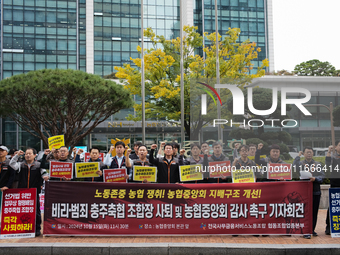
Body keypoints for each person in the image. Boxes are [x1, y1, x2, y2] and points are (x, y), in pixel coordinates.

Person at [9, 148, 49, 237]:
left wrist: (46, 177)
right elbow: (12, 164)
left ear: (35, 155)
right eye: (26, 154)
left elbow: (45, 174)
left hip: (34, 192)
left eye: (30, 153)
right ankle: (23, 229)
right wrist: (17, 155)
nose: (28, 155)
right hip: (23, 193)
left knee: (36, 211)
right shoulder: (21, 165)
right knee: (23, 212)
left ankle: (37, 229)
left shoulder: (39, 165)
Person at [293, 146, 324, 239]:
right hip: (304, 192)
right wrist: (298, 156)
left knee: (314, 212)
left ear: (313, 153)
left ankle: (312, 230)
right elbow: (294, 167)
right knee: (305, 212)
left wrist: (315, 179)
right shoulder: (301, 163)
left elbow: (322, 176)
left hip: (315, 191)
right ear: (304, 154)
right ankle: (305, 230)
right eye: (307, 152)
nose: (309, 154)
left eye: (310, 152)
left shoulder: (318, 164)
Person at [325, 141, 340, 235]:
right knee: (333, 206)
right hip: (335, 185)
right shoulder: (333, 157)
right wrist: (329, 152)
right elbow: (327, 166)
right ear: (336, 147)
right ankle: (329, 227)